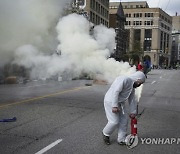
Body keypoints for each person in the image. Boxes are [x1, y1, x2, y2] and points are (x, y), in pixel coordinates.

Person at [102, 71, 146, 145]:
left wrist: (133, 112)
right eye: (140, 82)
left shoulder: (132, 87)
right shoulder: (124, 79)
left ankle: (121, 139)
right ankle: (106, 133)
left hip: (120, 103)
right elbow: (116, 92)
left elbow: (132, 100)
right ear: (137, 79)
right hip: (110, 101)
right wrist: (114, 106)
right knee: (114, 121)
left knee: (124, 120)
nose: (139, 85)